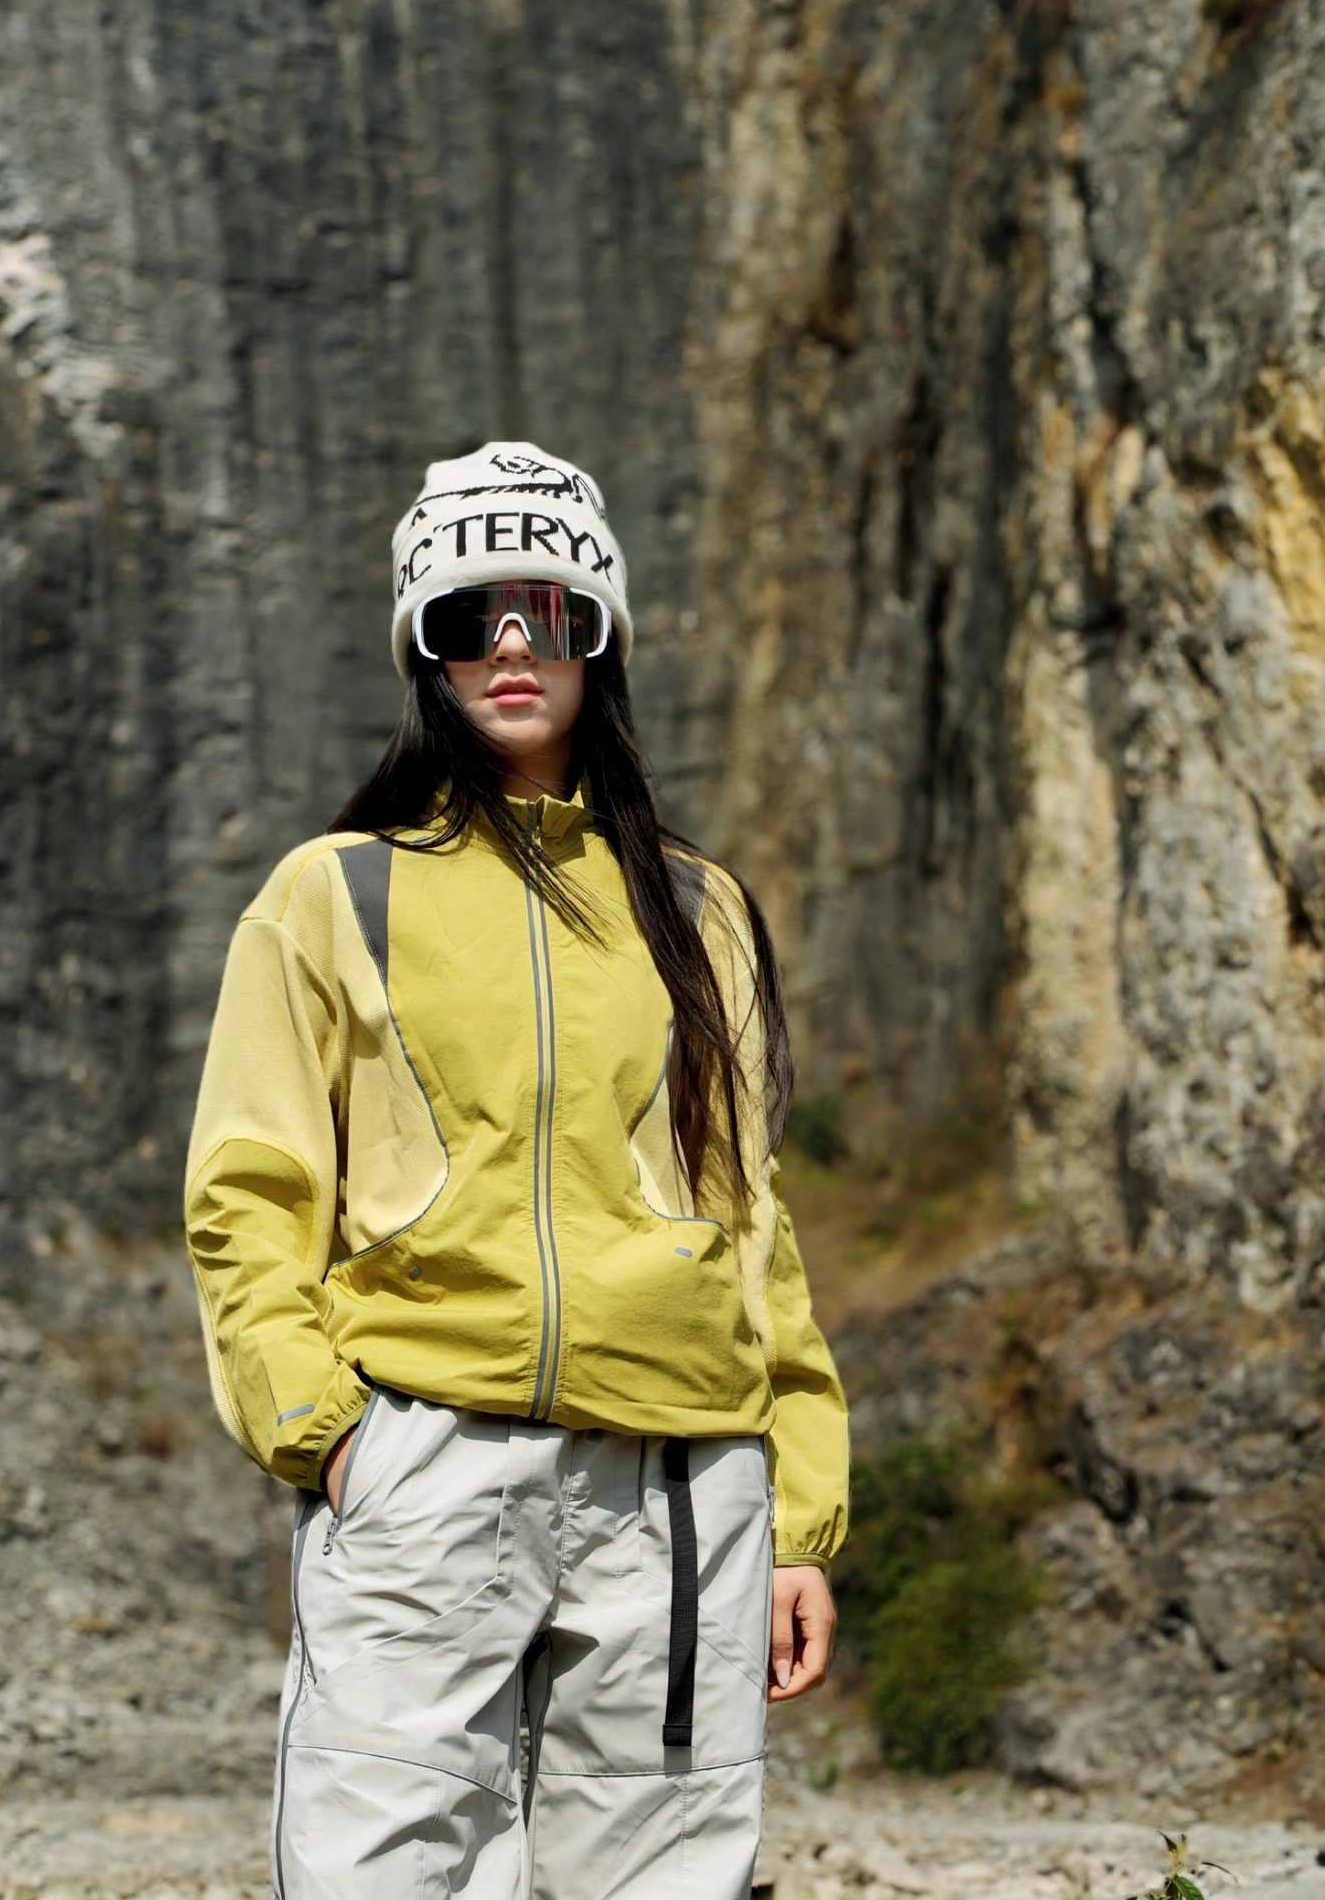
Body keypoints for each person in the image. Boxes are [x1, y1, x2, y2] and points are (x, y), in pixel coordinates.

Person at [183, 438, 850, 1899]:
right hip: (425, 1463)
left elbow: (752, 1224)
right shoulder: (334, 891)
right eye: (464, 614)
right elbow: (247, 1191)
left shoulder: (699, 910)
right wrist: (331, 1436)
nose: (507, 645)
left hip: (681, 1487)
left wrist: (797, 1516)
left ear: (598, 634)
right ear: (422, 648)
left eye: (545, 610)